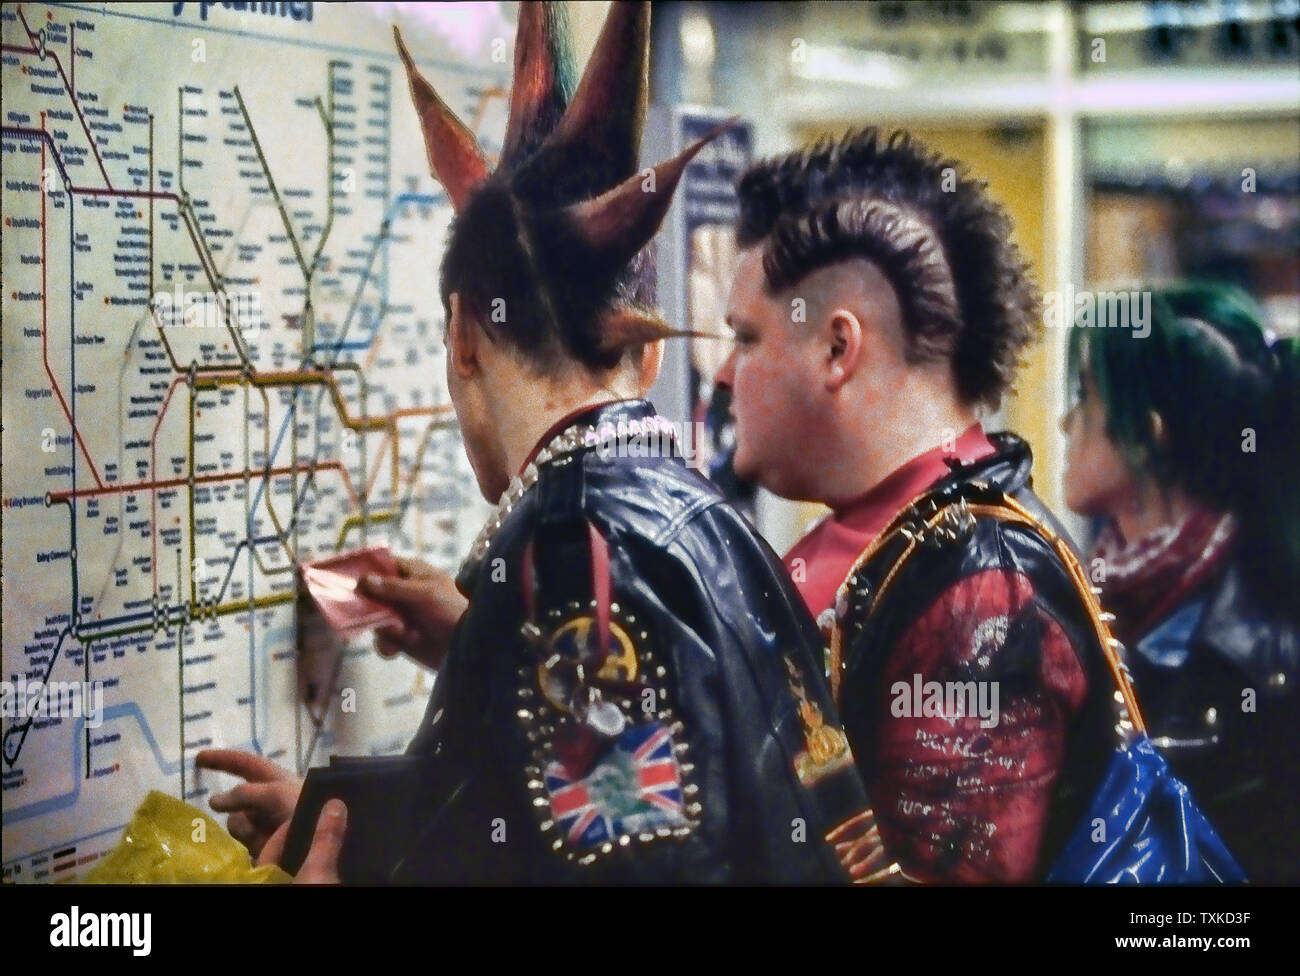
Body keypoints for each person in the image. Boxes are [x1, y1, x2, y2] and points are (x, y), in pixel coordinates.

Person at [198, 1, 878, 884]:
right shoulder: (702, 518)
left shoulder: (574, 559)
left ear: (464, 335)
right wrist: (350, 827)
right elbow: (575, 820)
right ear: (628, 345)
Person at [713, 127, 1117, 882]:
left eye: (745, 337)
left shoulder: (980, 592)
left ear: (837, 349)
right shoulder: (896, 545)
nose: (726, 375)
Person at [1060, 281, 1300, 882]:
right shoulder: (1078, 598)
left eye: (1085, 397)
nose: (1065, 421)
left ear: (1148, 430)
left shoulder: (1264, 649)